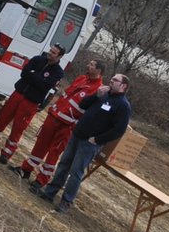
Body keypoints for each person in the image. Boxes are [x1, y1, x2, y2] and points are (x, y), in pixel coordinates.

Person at [34, 72, 132, 214]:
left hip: (90, 142)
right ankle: (50, 192)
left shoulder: (123, 106)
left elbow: (118, 131)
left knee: (76, 172)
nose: (111, 81)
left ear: (123, 86)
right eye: (111, 79)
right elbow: (83, 105)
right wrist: (96, 95)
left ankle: (66, 202)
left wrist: (97, 139)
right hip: (77, 135)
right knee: (63, 164)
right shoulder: (103, 93)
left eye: (115, 80)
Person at [13, 59, 105, 187]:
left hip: (68, 125)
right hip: (54, 116)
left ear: (98, 70)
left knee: (54, 153)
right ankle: (26, 169)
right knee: (41, 143)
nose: (87, 65)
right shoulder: (81, 78)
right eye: (89, 63)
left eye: (91, 65)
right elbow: (66, 96)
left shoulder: (98, 90)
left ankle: (41, 180)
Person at [0, 44, 65, 164]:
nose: (50, 53)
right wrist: (37, 77)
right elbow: (24, 73)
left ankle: (6, 153)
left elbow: (44, 85)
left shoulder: (58, 72)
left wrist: (33, 75)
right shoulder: (37, 59)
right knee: (2, 118)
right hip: (18, 94)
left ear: (60, 56)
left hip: (31, 102)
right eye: (50, 50)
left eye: (53, 53)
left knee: (18, 128)